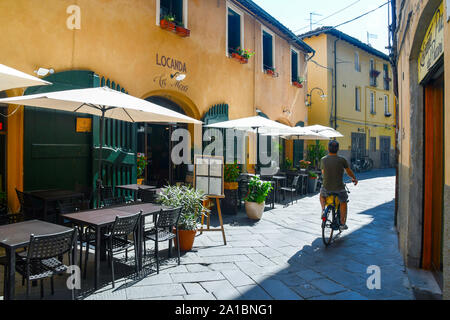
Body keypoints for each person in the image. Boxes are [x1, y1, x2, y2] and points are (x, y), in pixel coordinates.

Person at [320, 140, 358, 231]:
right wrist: (354, 178)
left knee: (321, 196)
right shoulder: (342, 160)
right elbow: (348, 171)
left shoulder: (323, 159)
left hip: (326, 188)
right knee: (343, 202)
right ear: (338, 149)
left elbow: (323, 172)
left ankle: (322, 210)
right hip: (339, 189)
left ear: (328, 149)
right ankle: (342, 223)